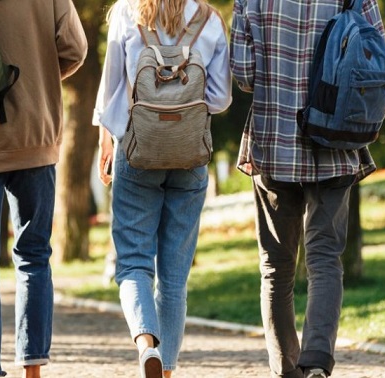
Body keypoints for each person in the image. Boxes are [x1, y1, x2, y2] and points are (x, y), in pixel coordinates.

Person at [230, 1, 385, 377]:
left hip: (274, 139)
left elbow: (244, 74)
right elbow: (378, 59)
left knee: (276, 268)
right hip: (335, 136)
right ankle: (316, 360)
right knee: (325, 258)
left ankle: (286, 368)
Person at [0, 0, 87, 376]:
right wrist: (38, 76)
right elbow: (74, 48)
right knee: (34, 257)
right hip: (34, 133)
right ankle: (33, 369)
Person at [92, 0, 231, 377]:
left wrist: (107, 139)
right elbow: (219, 99)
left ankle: (146, 346)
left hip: (137, 150)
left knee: (134, 262)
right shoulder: (210, 20)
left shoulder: (127, 12)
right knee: (174, 278)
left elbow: (111, 88)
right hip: (190, 156)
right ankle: (165, 370)